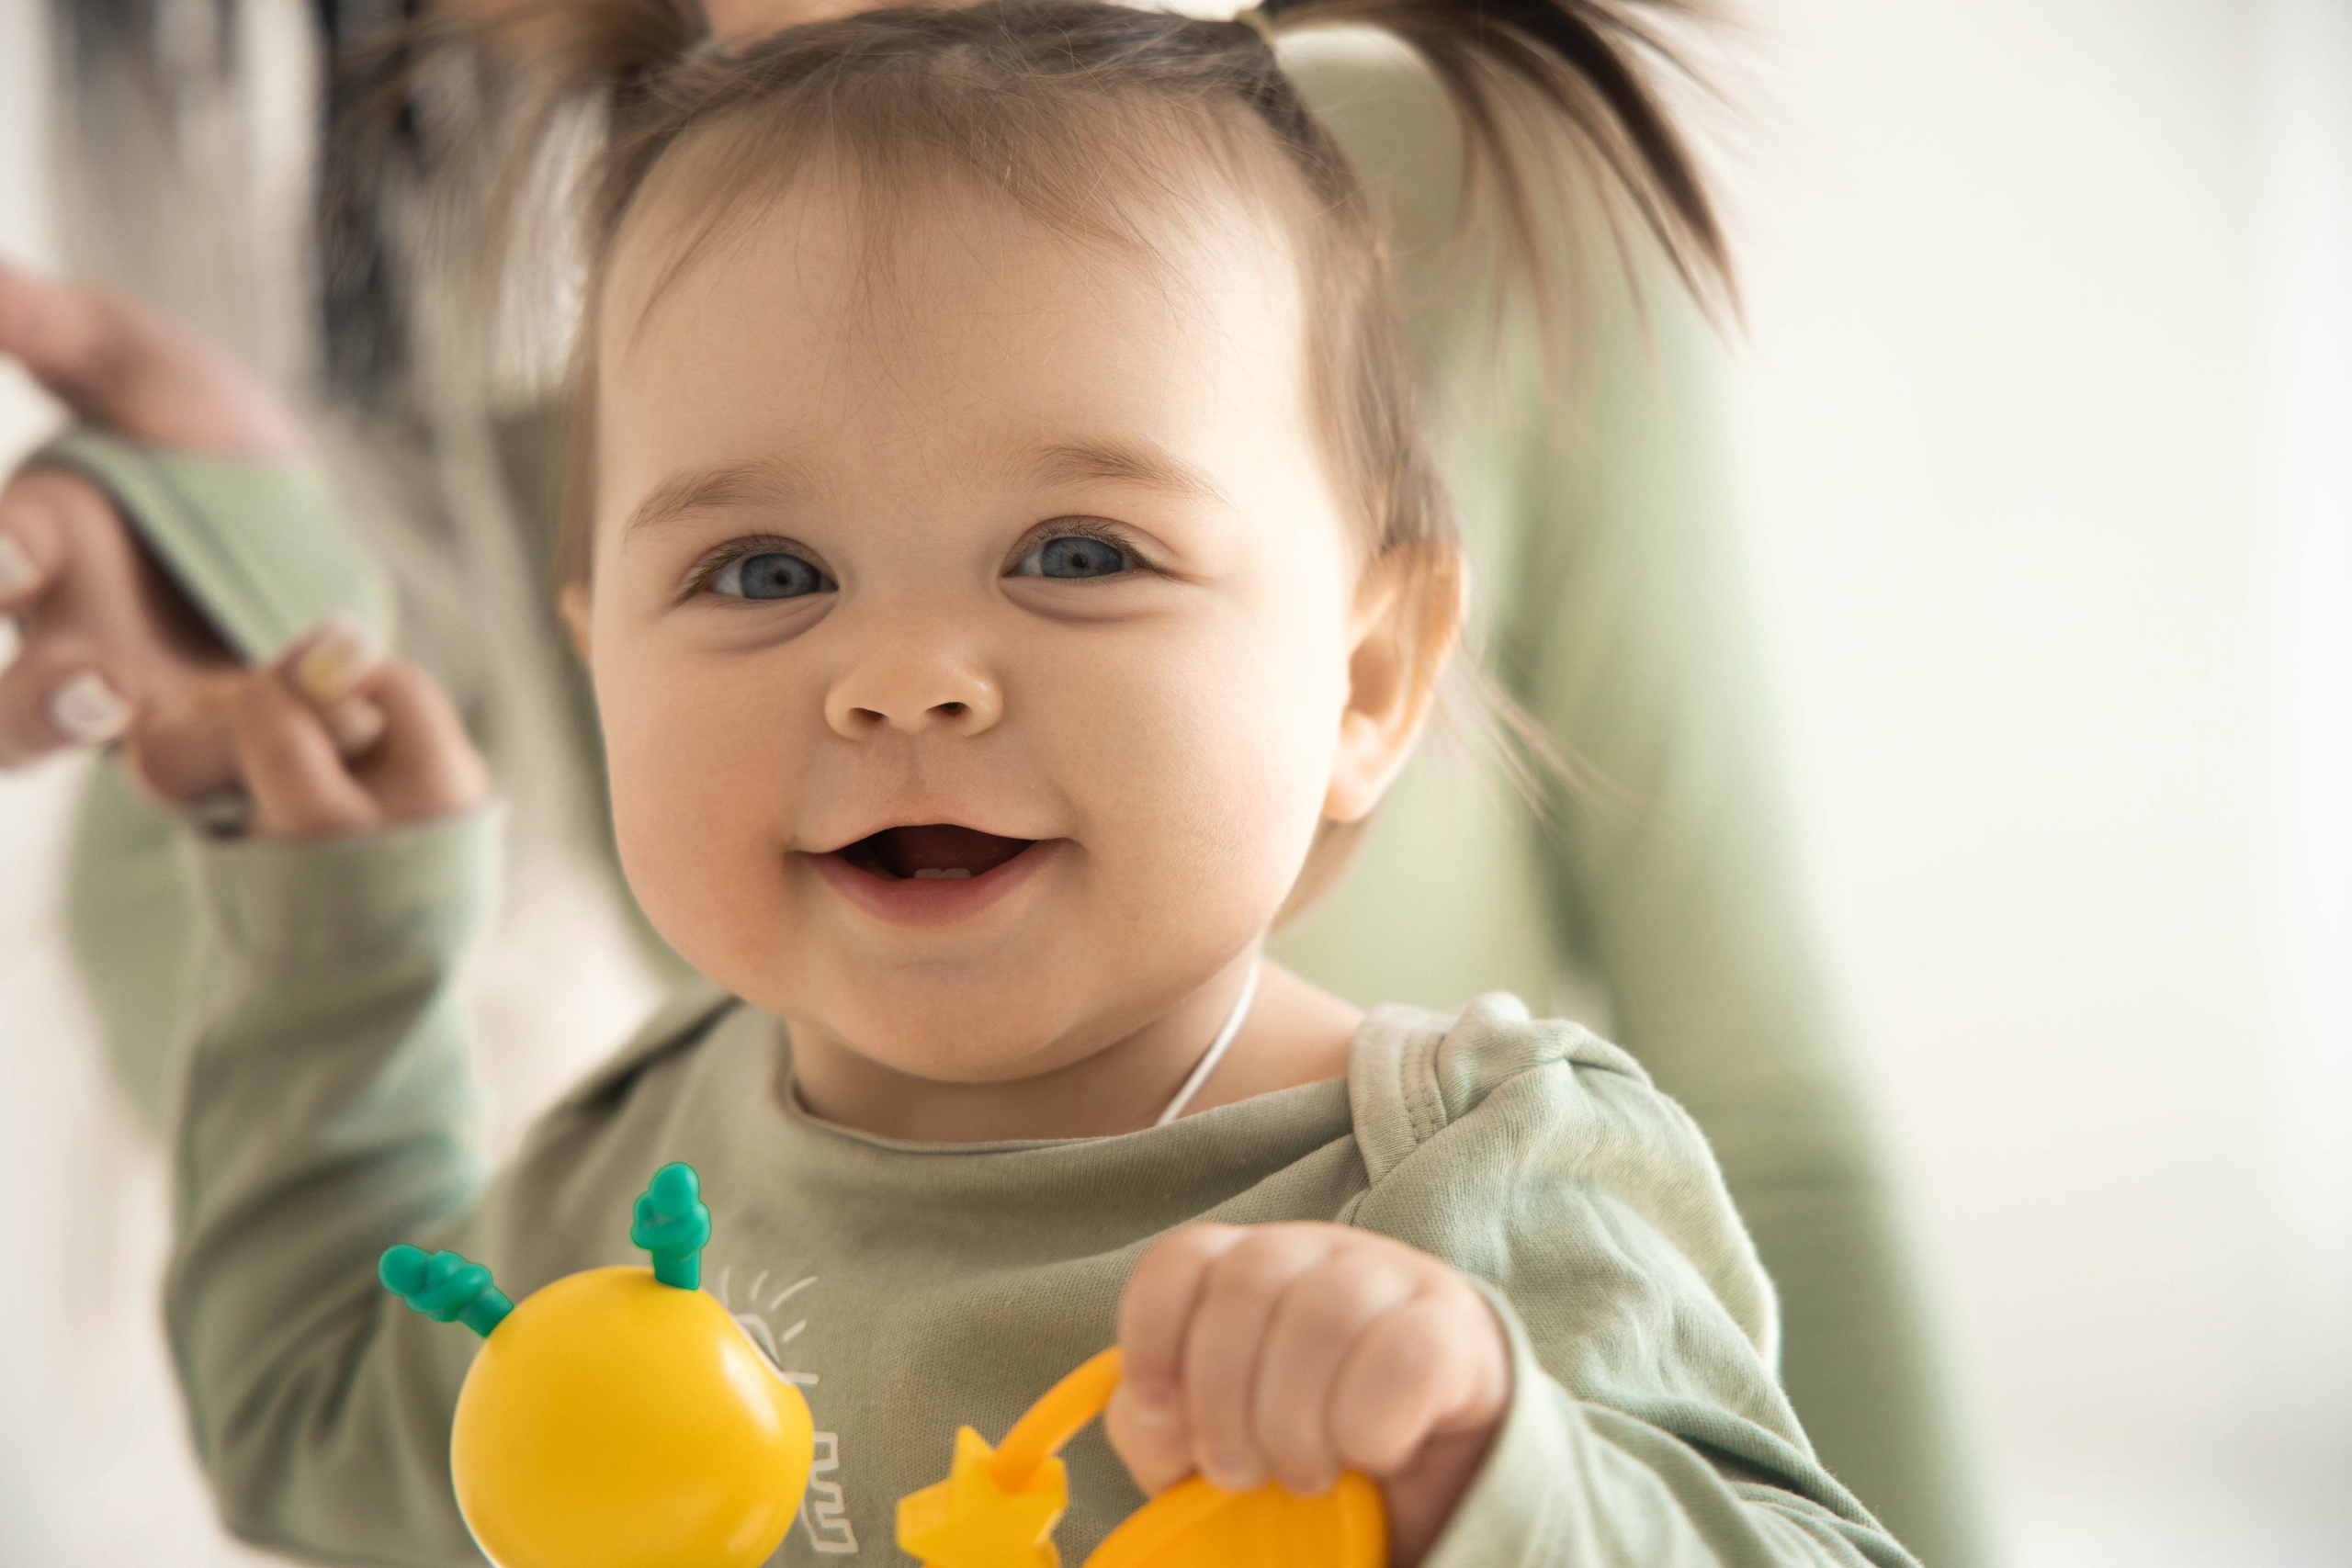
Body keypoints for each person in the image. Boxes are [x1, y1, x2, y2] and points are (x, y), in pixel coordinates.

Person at [2, 0, 1984, 1562]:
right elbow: (307, 1425)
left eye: (1077, 551)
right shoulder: (643, 1184)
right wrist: (340, 923)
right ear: (600, 655)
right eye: (762, 574)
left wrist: (1488, 1459)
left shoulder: (1476, 1189)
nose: (902, 677)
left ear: (1368, 674)